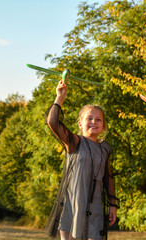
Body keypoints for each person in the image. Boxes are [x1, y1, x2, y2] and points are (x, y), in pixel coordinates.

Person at [44, 80, 118, 240]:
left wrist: (113, 204)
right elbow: (52, 122)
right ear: (80, 123)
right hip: (73, 204)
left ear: (103, 126)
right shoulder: (74, 142)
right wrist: (60, 98)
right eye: (89, 118)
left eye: (98, 120)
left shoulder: (105, 148)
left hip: (96, 206)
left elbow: (108, 177)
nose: (94, 122)